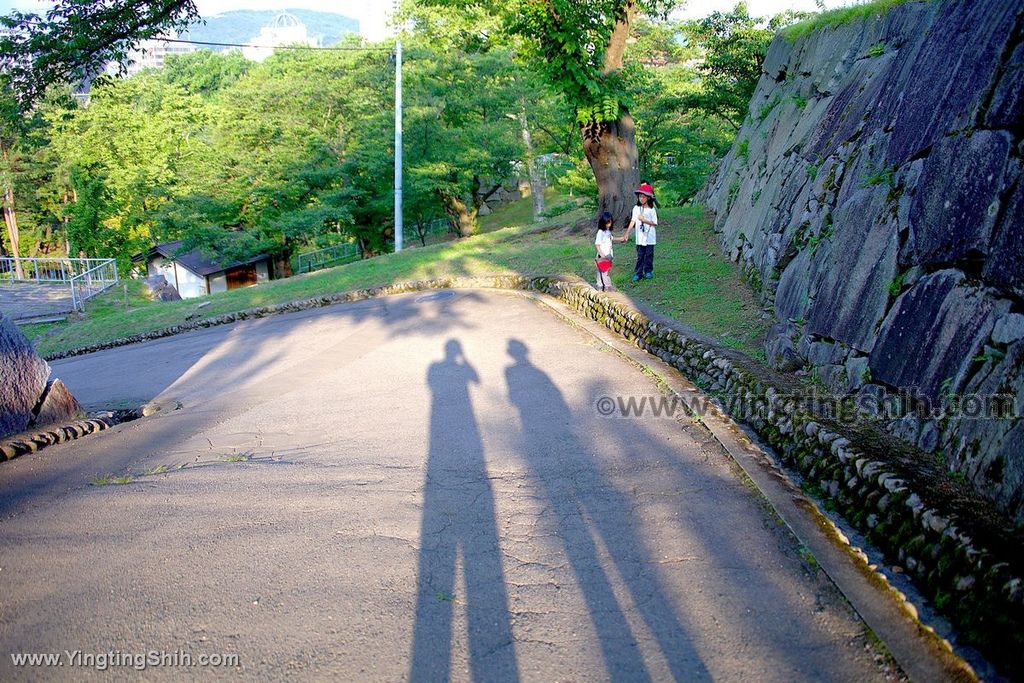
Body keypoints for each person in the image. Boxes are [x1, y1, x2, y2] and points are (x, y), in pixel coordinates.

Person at [617, 182, 658, 282]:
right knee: (640, 255)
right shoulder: (636, 208)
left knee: (649, 254)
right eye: (640, 196)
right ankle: (638, 273)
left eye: (643, 197)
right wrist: (626, 233)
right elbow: (633, 221)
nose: (641, 198)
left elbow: (655, 223)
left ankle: (648, 271)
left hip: (649, 237)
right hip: (640, 237)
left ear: (648, 198)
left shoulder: (652, 210)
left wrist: (645, 220)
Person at [594, 211, 615, 291]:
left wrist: (621, 238)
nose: (608, 225)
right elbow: (597, 244)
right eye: (607, 223)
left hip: (608, 255)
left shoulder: (608, 231)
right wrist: (601, 254)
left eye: (609, 223)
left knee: (603, 271)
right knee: (604, 272)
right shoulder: (600, 232)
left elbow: (612, 239)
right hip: (602, 255)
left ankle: (601, 285)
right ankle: (607, 286)